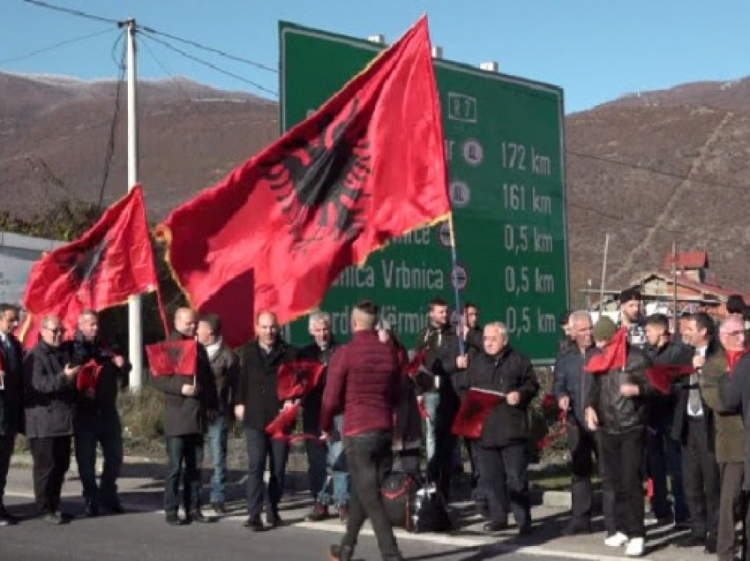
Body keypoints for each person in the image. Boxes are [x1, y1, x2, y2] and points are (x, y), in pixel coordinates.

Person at [322, 301, 403, 561]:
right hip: (383, 429)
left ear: (354, 322)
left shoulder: (345, 353)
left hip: (358, 430)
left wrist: (325, 426)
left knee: (371, 498)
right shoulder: (388, 352)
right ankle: (345, 548)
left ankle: (391, 553)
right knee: (362, 491)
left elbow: (331, 398)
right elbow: (397, 393)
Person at [457, 322, 539, 536]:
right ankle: (498, 517)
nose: (489, 342)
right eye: (485, 338)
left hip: (511, 428)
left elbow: (532, 385)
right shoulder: (476, 363)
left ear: (504, 340)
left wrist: (520, 394)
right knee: (491, 479)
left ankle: (523, 519)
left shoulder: (518, 360)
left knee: (516, 478)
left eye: (493, 338)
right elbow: (463, 387)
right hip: (485, 429)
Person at [585, 316, 652, 557]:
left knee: (631, 481)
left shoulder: (637, 358)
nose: (600, 344)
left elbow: (657, 386)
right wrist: (590, 407)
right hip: (608, 427)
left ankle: (637, 534)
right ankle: (622, 527)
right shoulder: (600, 359)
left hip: (631, 426)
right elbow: (594, 388)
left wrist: (639, 389)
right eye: (597, 340)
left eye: (604, 340)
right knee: (614, 481)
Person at [153, 307, 218, 526]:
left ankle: (194, 507)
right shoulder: (168, 346)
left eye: (195, 323)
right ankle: (171, 509)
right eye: (189, 323)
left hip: (197, 415)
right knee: (174, 468)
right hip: (178, 415)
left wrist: (213, 406)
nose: (193, 327)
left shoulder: (199, 348)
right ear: (177, 321)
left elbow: (208, 380)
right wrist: (181, 388)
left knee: (195, 467)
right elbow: (158, 379)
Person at [553, 310, 614, 535]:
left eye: (590, 328)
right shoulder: (565, 358)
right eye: (583, 330)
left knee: (607, 471)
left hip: (601, 421)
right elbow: (558, 385)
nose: (588, 334)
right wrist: (561, 398)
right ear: (572, 333)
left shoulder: (602, 354)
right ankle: (581, 518)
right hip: (575, 421)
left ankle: (612, 522)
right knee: (580, 471)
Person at [234, 310, 296, 531]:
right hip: (255, 417)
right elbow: (241, 380)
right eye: (264, 327)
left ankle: (273, 509)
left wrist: (293, 400)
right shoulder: (248, 352)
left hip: (280, 417)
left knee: (278, 467)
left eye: (272, 327)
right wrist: (239, 402)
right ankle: (254, 514)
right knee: (256, 466)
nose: (269, 331)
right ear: (257, 328)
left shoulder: (288, 352)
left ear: (277, 328)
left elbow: (297, 382)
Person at [72, 310, 130, 517]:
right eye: (91, 324)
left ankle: (108, 492)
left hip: (107, 409)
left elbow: (125, 367)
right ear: (81, 325)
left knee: (115, 456)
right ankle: (91, 497)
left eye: (97, 324)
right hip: (84, 411)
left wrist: (122, 366)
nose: (95, 328)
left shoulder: (108, 346)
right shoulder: (73, 347)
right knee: (86, 461)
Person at [23, 314, 79, 524]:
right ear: (43, 331)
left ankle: (54, 505)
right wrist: (64, 378)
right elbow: (38, 385)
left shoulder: (62, 353)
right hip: (43, 422)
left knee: (61, 466)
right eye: (54, 331)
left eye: (61, 331)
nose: (58, 335)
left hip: (62, 421)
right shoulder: (35, 355)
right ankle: (44, 508)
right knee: (46, 467)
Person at [672, 312, 720, 553]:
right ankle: (698, 529)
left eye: (690, 328)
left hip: (710, 424)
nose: (685, 332)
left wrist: (703, 369)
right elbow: (671, 380)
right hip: (687, 423)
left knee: (712, 482)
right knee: (690, 481)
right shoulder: (683, 353)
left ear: (703, 331)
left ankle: (716, 532)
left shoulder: (717, 354)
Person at [700, 316, 746, 561]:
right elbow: (718, 401)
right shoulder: (714, 366)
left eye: (743, 333)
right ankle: (726, 553)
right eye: (736, 334)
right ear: (723, 337)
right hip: (732, 445)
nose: (742, 338)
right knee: (731, 503)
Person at [641, 313, 691, 527]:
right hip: (652, 417)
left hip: (673, 416)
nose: (646, 335)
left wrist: (669, 388)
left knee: (677, 466)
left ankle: (683, 512)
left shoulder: (679, 352)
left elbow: (685, 380)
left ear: (661, 331)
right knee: (655, 467)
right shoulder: (645, 354)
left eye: (649, 331)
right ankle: (661, 509)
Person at [414, 297, 465, 500]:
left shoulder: (454, 336)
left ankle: (447, 479)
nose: (444, 315)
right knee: (432, 434)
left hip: (449, 392)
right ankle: (432, 479)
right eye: (440, 312)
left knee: (449, 438)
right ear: (431, 313)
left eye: (446, 312)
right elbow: (420, 364)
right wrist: (419, 390)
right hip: (430, 392)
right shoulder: (425, 336)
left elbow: (454, 361)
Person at [301, 311, 349, 523]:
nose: (322, 334)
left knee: (339, 458)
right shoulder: (305, 354)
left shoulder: (341, 351)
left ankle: (342, 502)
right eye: (318, 330)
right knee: (317, 460)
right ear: (311, 331)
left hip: (337, 412)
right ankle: (320, 501)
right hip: (313, 412)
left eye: (325, 329)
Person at [196, 313, 238, 515]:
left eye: (200, 328)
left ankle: (218, 496)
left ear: (210, 332)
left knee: (218, 456)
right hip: (195, 410)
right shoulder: (194, 351)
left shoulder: (229, 356)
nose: (196, 331)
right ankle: (195, 493)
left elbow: (236, 387)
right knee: (195, 454)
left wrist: (233, 409)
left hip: (217, 412)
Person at [376, 319, 422, 478]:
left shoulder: (400, 351)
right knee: (382, 465)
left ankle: (412, 492)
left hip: (405, 414)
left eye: (388, 331)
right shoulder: (370, 354)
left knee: (410, 462)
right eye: (382, 331)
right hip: (383, 416)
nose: (385, 334)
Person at [0, 304, 23, 525]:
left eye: (17, 320)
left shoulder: (15, 345)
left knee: (3, 463)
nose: (16, 324)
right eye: (11, 320)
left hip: (9, 415)